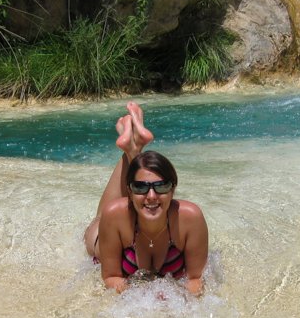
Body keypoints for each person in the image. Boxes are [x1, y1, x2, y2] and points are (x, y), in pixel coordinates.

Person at [84, 102, 208, 295]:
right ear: (129, 191)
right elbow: (110, 277)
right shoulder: (115, 214)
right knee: (98, 221)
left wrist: (176, 301)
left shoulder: (190, 218)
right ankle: (132, 149)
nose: (151, 196)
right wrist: (141, 297)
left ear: (173, 189)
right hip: (107, 234)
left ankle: (133, 146)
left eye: (161, 186)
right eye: (140, 187)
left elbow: (195, 279)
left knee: (139, 175)